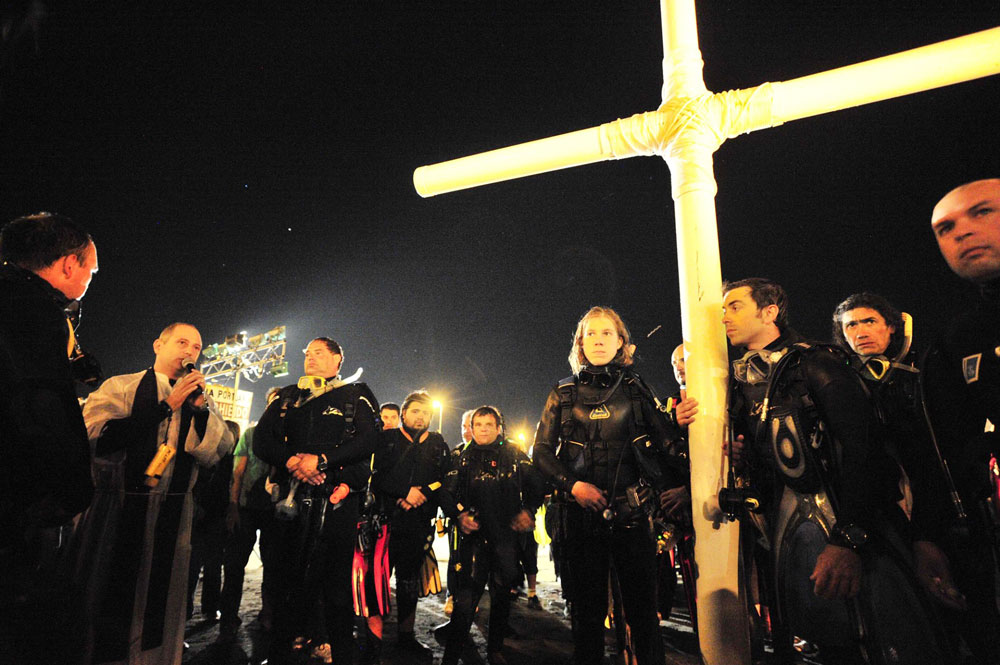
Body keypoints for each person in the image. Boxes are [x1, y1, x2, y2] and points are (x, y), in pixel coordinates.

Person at [723, 278, 947, 664]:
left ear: (770, 311)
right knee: (829, 639)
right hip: (793, 525)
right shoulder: (742, 379)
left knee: (882, 635)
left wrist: (848, 538)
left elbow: (865, 450)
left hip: (847, 526)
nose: (723, 317)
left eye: (734, 306)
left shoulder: (815, 362)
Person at [532, 306, 692, 665]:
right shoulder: (562, 393)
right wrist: (573, 486)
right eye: (591, 333)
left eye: (607, 333)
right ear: (580, 342)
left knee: (643, 615)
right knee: (587, 617)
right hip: (579, 520)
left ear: (621, 342)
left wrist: (679, 425)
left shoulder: (636, 388)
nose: (599, 340)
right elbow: (540, 452)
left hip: (633, 517)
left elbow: (667, 445)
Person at [76, 322, 235, 665]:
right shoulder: (122, 386)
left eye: (196, 347)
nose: (190, 352)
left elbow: (216, 450)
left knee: (159, 610)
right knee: (111, 603)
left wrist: (199, 411)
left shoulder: (199, 401)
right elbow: (95, 438)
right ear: (158, 345)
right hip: (120, 507)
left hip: (173, 513)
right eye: (182, 342)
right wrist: (166, 405)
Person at [0, 212, 99, 665]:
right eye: (90, 271)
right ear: (67, 265)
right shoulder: (36, 313)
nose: (89, 282)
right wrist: (71, 487)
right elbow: (41, 405)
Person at [253, 337, 380, 664]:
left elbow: (368, 441)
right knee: (283, 587)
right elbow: (262, 442)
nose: (310, 357)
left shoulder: (357, 395)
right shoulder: (287, 396)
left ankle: (340, 654)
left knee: (336, 593)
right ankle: (279, 654)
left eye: (319, 352)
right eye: (307, 353)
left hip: (336, 507)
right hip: (289, 507)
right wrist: (295, 461)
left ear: (339, 360)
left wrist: (322, 460)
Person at [923, 177, 1000, 659]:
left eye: (983, 212)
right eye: (945, 228)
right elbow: (944, 448)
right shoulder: (957, 340)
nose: (962, 232)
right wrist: (929, 536)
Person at [440, 406, 545, 665]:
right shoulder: (460, 456)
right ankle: (452, 654)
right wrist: (458, 515)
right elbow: (445, 492)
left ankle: (495, 649)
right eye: (479, 424)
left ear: (499, 428)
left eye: (489, 424)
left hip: (505, 539)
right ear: (471, 428)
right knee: (465, 600)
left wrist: (528, 511)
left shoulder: (515, 454)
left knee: (501, 597)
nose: (484, 429)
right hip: (471, 538)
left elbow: (539, 485)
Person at [373, 389, 452, 659]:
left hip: (418, 525)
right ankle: (373, 637)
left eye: (426, 413)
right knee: (377, 581)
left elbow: (445, 478)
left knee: (408, 583)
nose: (420, 417)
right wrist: (404, 492)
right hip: (383, 523)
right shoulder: (386, 440)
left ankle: (406, 637)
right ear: (404, 413)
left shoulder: (438, 443)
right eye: (415, 411)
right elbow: (375, 476)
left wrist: (424, 493)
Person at [219, 387, 282, 640]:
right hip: (245, 508)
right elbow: (237, 472)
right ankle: (228, 618)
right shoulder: (251, 434)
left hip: (276, 513)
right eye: (274, 403)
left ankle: (268, 613)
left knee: (274, 566)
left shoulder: (291, 437)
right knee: (234, 565)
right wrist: (233, 506)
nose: (279, 408)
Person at [186, 420, 238, 622]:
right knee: (209, 566)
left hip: (208, 515)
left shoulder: (208, 457)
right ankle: (207, 608)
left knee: (198, 566)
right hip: (211, 515)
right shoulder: (224, 460)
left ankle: (193, 610)